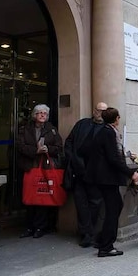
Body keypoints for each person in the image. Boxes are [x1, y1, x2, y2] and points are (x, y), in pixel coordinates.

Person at [79, 107, 133, 257]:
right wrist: (131, 173)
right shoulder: (108, 133)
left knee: (115, 206)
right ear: (116, 119)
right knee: (113, 209)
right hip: (107, 178)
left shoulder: (104, 131)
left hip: (104, 178)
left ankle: (102, 239)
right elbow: (113, 158)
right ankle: (106, 245)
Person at [16, 104, 63, 239]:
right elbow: (20, 146)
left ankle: (40, 227)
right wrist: (35, 151)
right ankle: (29, 226)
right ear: (34, 115)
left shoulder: (52, 130)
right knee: (29, 197)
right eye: (40, 113)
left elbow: (59, 147)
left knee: (42, 197)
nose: (42, 115)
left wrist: (48, 149)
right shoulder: (25, 129)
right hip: (29, 167)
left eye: (45, 113)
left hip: (45, 169)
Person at [64, 102, 107, 247]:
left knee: (95, 203)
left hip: (96, 174)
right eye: (98, 110)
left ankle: (90, 231)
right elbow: (69, 142)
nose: (100, 113)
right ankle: (85, 233)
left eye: (103, 111)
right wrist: (72, 159)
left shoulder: (107, 129)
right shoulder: (82, 124)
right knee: (80, 203)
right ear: (94, 110)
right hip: (78, 172)